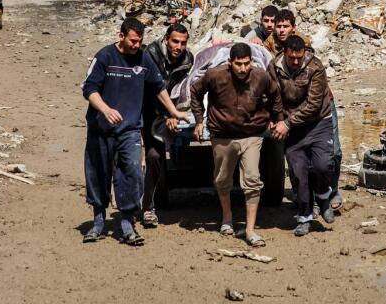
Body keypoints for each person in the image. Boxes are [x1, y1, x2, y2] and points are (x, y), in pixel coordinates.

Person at [82, 18, 189, 245]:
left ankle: (127, 223)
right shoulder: (104, 57)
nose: (136, 45)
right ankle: (98, 222)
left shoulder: (143, 58)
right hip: (100, 129)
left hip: (129, 129)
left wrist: (174, 112)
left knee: (132, 172)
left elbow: (158, 87)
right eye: (132, 40)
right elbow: (89, 89)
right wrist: (105, 109)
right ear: (121, 36)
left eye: (139, 41)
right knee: (99, 174)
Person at [190, 42, 283, 248]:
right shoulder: (215, 75)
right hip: (223, 135)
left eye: (246, 64)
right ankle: (227, 217)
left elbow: (276, 95)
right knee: (222, 179)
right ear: (230, 62)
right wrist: (199, 120)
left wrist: (278, 119)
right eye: (238, 64)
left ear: (251, 62)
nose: (242, 69)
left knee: (252, 179)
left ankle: (250, 230)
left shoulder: (261, 76)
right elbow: (195, 92)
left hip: (252, 134)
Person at [271, 35, 338, 235]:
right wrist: (274, 118)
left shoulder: (315, 67)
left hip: (318, 122)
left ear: (304, 54)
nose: (294, 62)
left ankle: (323, 196)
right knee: (298, 173)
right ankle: (304, 217)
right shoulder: (274, 67)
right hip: (291, 128)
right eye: (291, 58)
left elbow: (314, 104)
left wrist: (286, 123)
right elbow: (273, 95)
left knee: (323, 164)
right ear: (284, 53)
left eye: (298, 58)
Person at [140, 22, 194, 227]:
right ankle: (140, 204)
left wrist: (173, 112)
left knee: (155, 157)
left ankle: (148, 206)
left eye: (183, 42)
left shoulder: (188, 59)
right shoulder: (149, 55)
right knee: (144, 156)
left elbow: (181, 88)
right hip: (143, 110)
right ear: (166, 40)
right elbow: (150, 89)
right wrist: (167, 113)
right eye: (175, 41)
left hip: (166, 113)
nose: (178, 47)